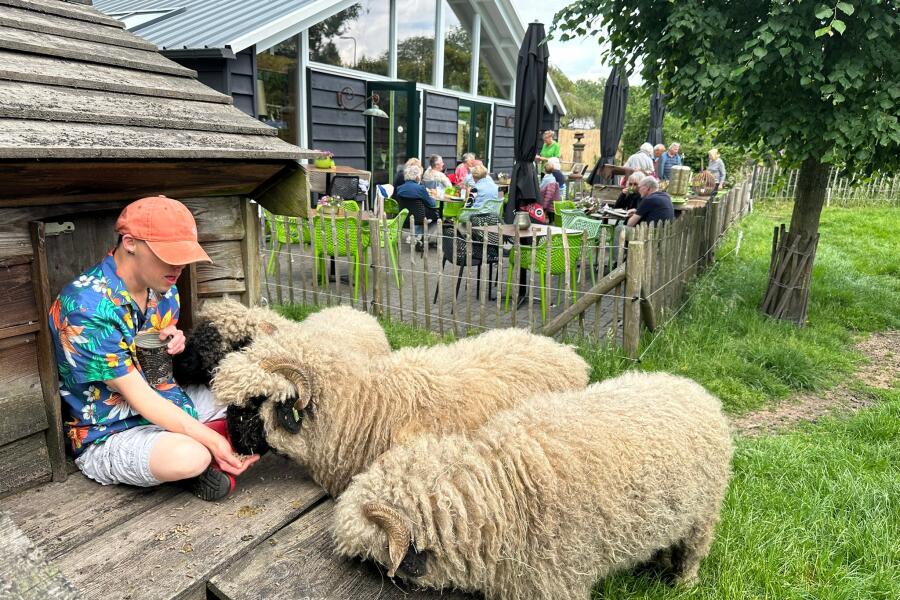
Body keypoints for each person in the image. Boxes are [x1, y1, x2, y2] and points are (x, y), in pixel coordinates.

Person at [48, 196, 260, 502]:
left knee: (247, 396)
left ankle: (194, 453)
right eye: (168, 255)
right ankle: (198, 460)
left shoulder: (163, 287)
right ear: (131, 242)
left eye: (184, 256)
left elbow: (154, 343)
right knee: (191, 455)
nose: (178, 267)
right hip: (112, 431)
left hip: (169, 401)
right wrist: (213, 442)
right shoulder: (85, 307)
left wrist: (175, 337)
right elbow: (140, 397)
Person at [395, 163, 440, 249]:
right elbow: (432, 204)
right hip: (420, 218)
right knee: (437, 217)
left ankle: (418, 237)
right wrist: (431, 196)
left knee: (423, 213)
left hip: (404, 218)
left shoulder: (399, 188)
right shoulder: (420, 188)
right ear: (417, 177)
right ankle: (425, 239)